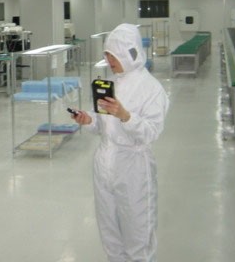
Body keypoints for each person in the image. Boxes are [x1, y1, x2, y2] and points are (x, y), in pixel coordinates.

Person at [70, 23, 169, 262]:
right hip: (105, 165)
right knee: (110, 236)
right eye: (107, 55)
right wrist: (88, 120)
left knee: (138, 237)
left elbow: (151, 132)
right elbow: (102, 125)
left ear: (129, 53)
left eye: (113, 55)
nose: (109, 61)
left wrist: (126, 116)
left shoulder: (152, 89)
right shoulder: (110, 83)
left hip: (133, 168)